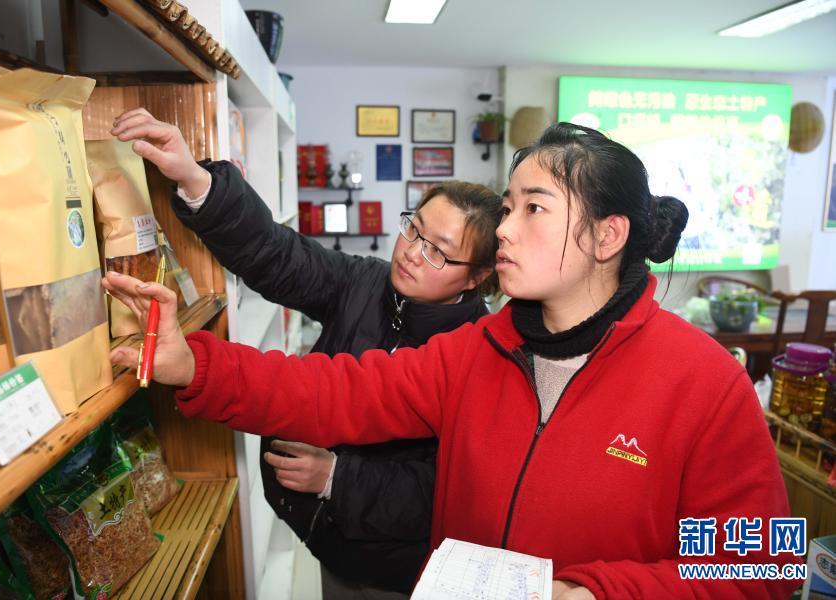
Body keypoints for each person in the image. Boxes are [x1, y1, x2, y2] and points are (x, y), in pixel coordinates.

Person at [105, 123, 800, 599]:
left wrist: (589, 593)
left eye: (534, 209)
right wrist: (193, 366)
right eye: (507, 207)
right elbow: (332, 392)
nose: (505, 229)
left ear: (606, 236)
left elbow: (763, 565)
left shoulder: (704, 381)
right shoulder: (480, 350)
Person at [110, 108, 503, 597]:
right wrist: (195, 179)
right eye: (413, 228)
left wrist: (337, 478)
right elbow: (279, 255)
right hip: (326, 539)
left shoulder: (478, 353)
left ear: (477, 277)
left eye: (437, 251)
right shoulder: (366, 282)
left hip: (395, 567)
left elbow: (445, 490)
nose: (410, 251)